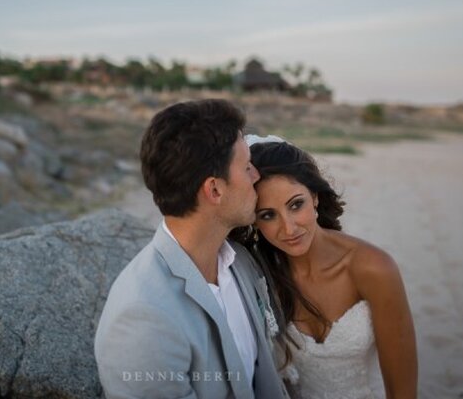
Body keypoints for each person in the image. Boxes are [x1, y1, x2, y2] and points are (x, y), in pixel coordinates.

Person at [94, 100, 291, 399]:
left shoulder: (241, 263)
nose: (256, 176)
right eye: (247, 167)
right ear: (214, 190)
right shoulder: (142, 318)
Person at [234, 135, 418, 399]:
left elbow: (403, 393)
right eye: (268, 215)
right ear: (254, 221)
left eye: (296, 205)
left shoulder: (374, 268)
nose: (289, 228)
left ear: (315, 197)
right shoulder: (260, 274)